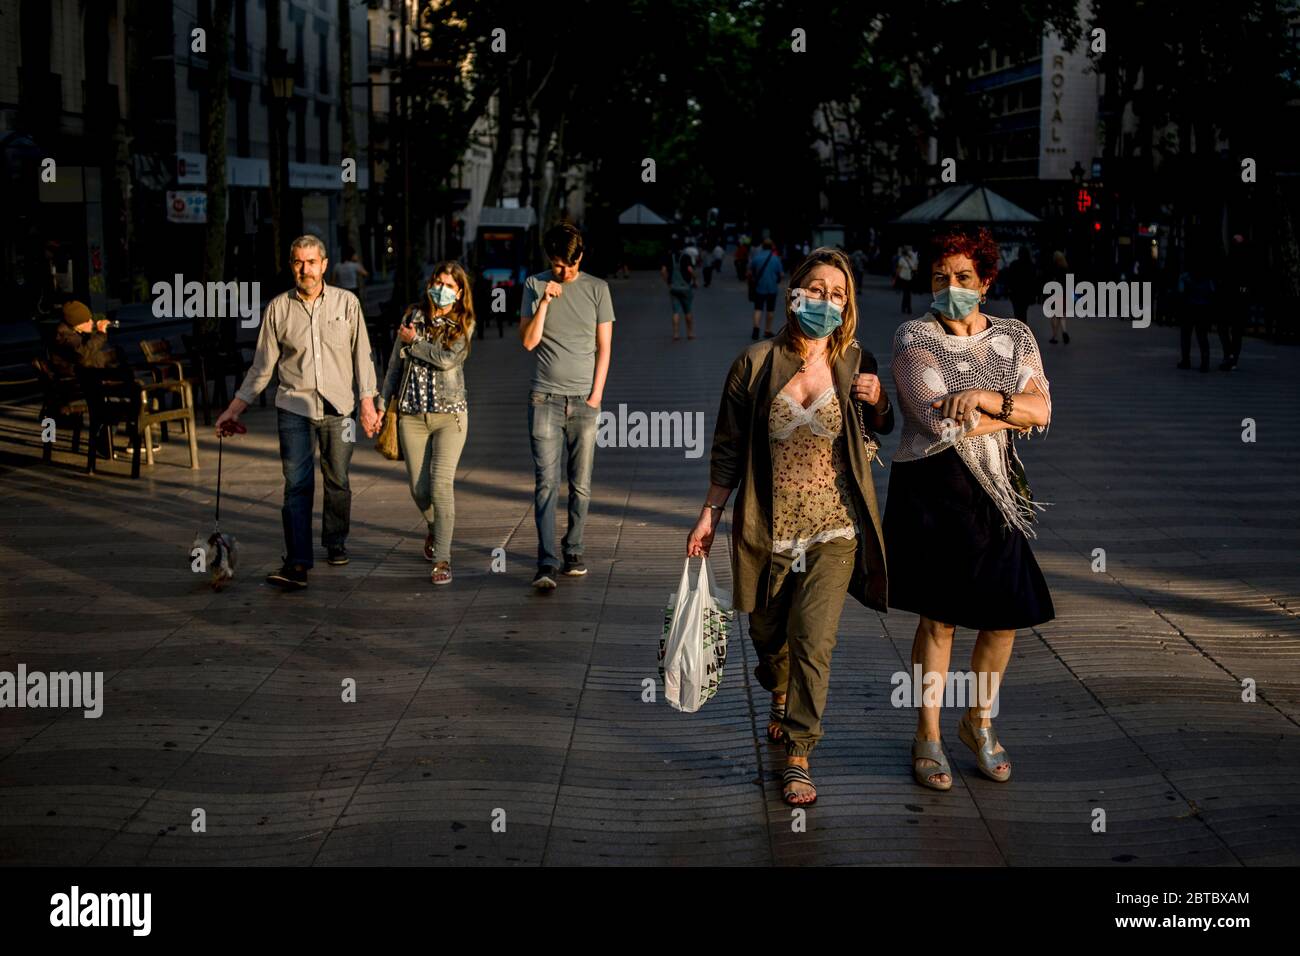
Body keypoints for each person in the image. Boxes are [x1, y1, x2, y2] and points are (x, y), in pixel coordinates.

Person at [688, 247, 894, 807]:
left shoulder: (856, 360)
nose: (826, 302)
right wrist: (710, 511)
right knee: (766, 635)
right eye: (817, 290)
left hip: (835, 529)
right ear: (792, 293)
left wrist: (878, 403)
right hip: (766, 528)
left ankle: (800, 755)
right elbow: (728, 447)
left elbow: (882, 424)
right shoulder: (753, 364)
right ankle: (777, 690)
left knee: (813, 639)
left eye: (838, 294)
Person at [885, 226, 1054, 791]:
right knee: (940, 618)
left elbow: (1045, 408)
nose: (950, 286)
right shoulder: (914, 337)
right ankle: (927, 735)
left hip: (997, 488)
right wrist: (1017, 410)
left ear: (985, 282)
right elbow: (937, 421)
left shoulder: (1014, 335)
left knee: (1004, 617)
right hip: (934, 488)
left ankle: (978, 721)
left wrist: (983, 397)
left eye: (962, 277)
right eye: (939, 278)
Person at [215, 235, 381, 590]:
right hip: (293, 407)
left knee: (338, 480)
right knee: (297, 485)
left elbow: (362, 357)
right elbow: (261, 368)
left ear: (324, 264)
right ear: (292, 265)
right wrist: (233, 410)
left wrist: (367, 402)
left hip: (340, 408)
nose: (305, 269)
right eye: (298, 263)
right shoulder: (278, 309)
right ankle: (298, 562)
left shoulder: (347, 303)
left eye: (311, 262)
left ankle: (335, 541)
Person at [519, 222, 615, 589]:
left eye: (571, 264)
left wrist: (596, 395)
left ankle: (572, 549)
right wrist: (544, 302)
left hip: (584, 402)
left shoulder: (598, 289)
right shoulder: (534, 285)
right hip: (544, 398)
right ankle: (546, 562)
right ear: (550, 259)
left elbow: (604, 347)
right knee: (545, 484)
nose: (566, 272)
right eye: (559, 265)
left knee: (581, 484)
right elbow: (528, 342)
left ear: (581, 255)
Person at [379, 261, 474, 585]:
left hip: (450, 415)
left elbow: (448, 358)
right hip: (411, 414)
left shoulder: (464, 322)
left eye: (449, 285)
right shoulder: (412, 317)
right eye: (438, 281)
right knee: (419, 489)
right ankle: (436, 528)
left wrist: (414, 343)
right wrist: (380, 404)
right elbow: (394, 365)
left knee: (440, 485)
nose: (442, 288)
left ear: (459, 292)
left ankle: (442, 559)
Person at [1177, 254, 1216, 371]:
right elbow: (1213, 292)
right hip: (1203, 309)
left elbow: (1180, 291)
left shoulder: (1185, 277)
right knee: (1202, 336)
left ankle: (1186, 360)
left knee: (1186, 335)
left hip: (1189, 308)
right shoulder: (1208, 279)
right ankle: (1205, 362)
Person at [1220, 234, 1250, 371]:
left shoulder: (1235, 262)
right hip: (1230, 300)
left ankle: (1231, 356)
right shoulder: (1232, 261)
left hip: (1235, 301)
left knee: (1233, 330)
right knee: (1228, 329)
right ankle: (1230, 356)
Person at [748, 238, 783, 339]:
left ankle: (756, 328)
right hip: (772, 288)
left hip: (759, 287)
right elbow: (781, 274)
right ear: (772, 246)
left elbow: (749, 273)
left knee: (758, 308)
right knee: (770, 310)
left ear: (762, 246)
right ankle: (767, 330)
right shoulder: (775, 259)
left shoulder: (756, 258)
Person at [662, 241, 696, 341]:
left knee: (675, 312)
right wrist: (695, 280)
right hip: (685, 287)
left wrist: (668, 282)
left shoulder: (668, 257)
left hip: (673, 288)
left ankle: (676, 334)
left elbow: (663, 271)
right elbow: (690, 270)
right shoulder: (686, 257)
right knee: (688, 311)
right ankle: (690, 333)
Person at [1002, 246, 1039, 323]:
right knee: (1023, 312)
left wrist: (1008, 290)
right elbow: (1034, 281)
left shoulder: (1014, 264)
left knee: (1017, 312)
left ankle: (1020, 327)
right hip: (1026, 293)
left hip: (1016, 293)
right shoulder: (1031, 265)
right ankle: (1023, 327)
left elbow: (1009, 279)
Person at [1047, 251, 1071, 344]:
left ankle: (1054, 336)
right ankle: (1064, 331)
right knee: (1062, 315)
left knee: (1053, 316)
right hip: (1064, 294)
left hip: (1055, 294)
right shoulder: (1066, 268)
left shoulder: (1054, 269)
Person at [893, 244, 917, 314]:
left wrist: (895, 278)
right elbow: (915, 267)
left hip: (906, 277)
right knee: (907, 293)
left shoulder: (902, 259)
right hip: (907, 278)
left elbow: (899, 269)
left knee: (906, 293)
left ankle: (905, 307)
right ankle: (908, 308)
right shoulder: (912, 258)